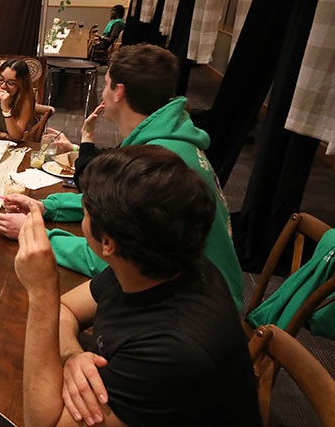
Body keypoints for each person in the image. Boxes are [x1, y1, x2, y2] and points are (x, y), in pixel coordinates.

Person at [13, 145, 260, 427]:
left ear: (107, 243)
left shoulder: (172, 352)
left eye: (85, 210)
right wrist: (73, 357)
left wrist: (42, 291)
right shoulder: (155, 259)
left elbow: (41, 423)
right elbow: (68, 309)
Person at [0, 44, 244, 309]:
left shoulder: (156, 162)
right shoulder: (166, 138)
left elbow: (113, 260)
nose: (103, 92)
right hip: (200, 290)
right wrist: (47, 206)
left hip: (195, 306)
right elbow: (117, 202)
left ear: (119, 93)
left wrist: (34, 235)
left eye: (107, 84)